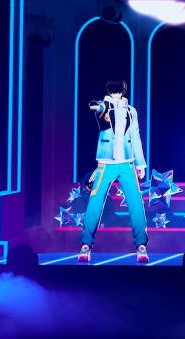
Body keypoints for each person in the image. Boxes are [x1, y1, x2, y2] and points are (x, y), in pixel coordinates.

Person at [77, 79, 150, 264]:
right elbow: (96, 107)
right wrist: (94, 105)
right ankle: (85, 245)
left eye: (119, 91)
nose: (116, 94)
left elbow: (135, 136)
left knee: (136, 202)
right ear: (109, 91)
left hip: (127, 163)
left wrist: (141, 164)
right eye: (113, 91)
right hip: (105, 163)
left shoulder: (131, 111)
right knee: (95, 202)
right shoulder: (105, 106)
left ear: (123, 91)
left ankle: (141, 246)